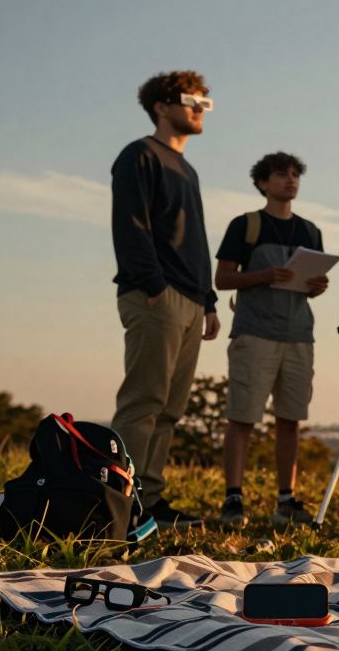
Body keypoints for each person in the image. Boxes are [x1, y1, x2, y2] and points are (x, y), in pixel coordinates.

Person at [110, 70, 221, 529]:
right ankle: (118, 503)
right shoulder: (139, 155)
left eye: (206, 102)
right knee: (144, 401)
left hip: (192, 301)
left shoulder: (189, 169)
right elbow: (131, 225)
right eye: (192, 99)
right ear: (162, 106)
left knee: (172, 408)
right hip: (155, 295)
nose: (200, 108)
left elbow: (192, 238)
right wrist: (153, 286)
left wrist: (209, 301)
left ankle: (150, 501)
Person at [214, 152, 328, 529]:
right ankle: (233, 497)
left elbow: (310, 287)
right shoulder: (244, 225)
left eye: (296, 174)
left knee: (290, 419)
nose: (291, 180)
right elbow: (223, 279)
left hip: (299, 334)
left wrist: (317, 286)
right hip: (255, 332)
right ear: (263, 183)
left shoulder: (310, 231)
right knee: (243, 416)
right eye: (282, 175)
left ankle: (286, 499)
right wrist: (262, 275)